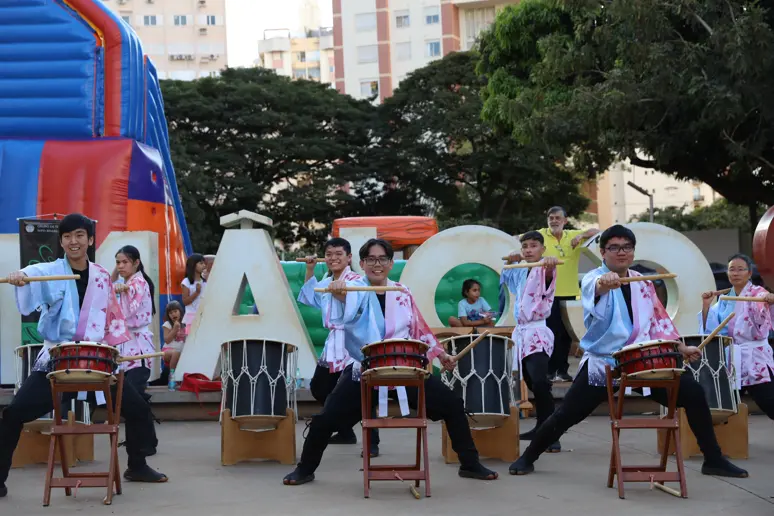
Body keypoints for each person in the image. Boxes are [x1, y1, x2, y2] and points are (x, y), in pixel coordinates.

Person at [508, 224, 748, 479]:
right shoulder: (593, 278)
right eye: (614, 248)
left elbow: (658, 320)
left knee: (693, 392)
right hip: (605, 362)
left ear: (633, 251)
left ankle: (713, 458)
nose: (621, 252)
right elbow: (595, 288)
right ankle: (528, 456)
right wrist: (604, 283)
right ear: (603, 252)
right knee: (568, 414)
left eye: (627, 247)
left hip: (642, 360)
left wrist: (681, 347)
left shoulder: (642, 283)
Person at [282, 238, 498, 486]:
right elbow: (345, 315)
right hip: (367, 369)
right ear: (362, 263)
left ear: (391, 263)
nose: (377, 264)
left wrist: (441, 355)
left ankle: (470, 464)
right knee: (326, 418)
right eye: (371, 259)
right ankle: (305, 469)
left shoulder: (401, 291)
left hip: (405, 369)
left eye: (382, 259)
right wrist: (340, 296)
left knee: (452, 405)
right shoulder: (353, 288)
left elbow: (418, 327)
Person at [0, 214, 167, 499]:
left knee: (138, 407)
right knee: (14, 412)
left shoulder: (102, 276)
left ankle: (137, 465)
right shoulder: (51, 270)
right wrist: (20, 278)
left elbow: (112, 318)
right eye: (67, 236)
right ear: (61, 241)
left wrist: (115, 353)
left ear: (90, 240)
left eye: (79, 235)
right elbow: (30, 275)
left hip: (95, 359)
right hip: (59, 358)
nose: (73, 241)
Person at [297, 238, 379, 453]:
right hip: (334, 342)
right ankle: (345, 430)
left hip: (353, 341)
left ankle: (372, 442)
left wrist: (340, 293)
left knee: (361, 391)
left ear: (349, 258)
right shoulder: (327, 281)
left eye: (338, 254)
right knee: (320, 387)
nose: (333, 258)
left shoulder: (357, 281)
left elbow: (357, 305)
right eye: (329, 254)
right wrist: (310, 269)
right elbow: (311, 297)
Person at [513, 207, 600, 382]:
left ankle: (562, 370)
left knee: (566, 334)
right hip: (545, 294)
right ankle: (549, 370)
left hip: (570, 292)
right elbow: (518, 239)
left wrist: (581, 236)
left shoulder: (573, 235)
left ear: (565, 220)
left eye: (557, 218)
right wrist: (514, 254)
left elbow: (598, 232)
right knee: (550, 331)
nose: (554, 221)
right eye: (551, 218)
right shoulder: (541, 234)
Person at [501, 231, 560, 450]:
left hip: (537, 332)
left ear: (543, 249)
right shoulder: (521, 269)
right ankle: (541, 427)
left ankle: (552, 434)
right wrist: (510, 261)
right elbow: (507, 280)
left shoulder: (545, 267)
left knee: (540, 381)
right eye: (525, 246)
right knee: (531, 381)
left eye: (533, 246)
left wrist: (549, 265)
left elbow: (549, 274)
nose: (528, 250)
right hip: (522, 332)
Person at [700, 254, 774, 420]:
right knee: (726, 406)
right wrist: (706, 306)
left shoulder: (758, 293)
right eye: (732, 269)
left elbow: (763, 315)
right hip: (731, 359)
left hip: (754, 357)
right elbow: (711, 330)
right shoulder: (724, 298)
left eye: (741, 269)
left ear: (749, 273)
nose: (735, 273)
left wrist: (769, 301)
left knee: (768, 400)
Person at [113, 245, 160, 455]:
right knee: (133, 397)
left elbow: (128, 312)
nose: (120, 266)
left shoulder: (137, 283)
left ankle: (144, 442)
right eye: (118, 262)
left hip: (139, 348)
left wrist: (121, 289)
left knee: (134, 396)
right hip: (127, 345)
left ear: (136, 263)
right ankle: (143, 441)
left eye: (125, 262)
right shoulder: (128, 283)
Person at [162, 301, 187, 391]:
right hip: (168, 351)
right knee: (176, 353)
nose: (173, 314)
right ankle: (172, 377)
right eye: (170, 313)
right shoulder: (167, 324)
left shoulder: (185, 324)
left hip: (181, 352)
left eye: (175, 311)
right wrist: (175, 329)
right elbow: (167, 340)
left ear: (180, 311)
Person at [181, 253, 206, 331]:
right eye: (201, 263)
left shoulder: (205, 282)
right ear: (193, 265)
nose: (204, 265)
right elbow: (185, 302)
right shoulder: (186, 282)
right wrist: (197, 293)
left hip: (203, 316)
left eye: (204, 263)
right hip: (191, 316)